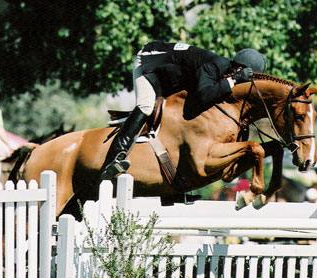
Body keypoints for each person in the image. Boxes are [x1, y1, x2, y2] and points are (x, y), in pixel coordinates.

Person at [101, 41, 266, 179]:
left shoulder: (223, 72)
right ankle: (114, 158)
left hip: (169, 73)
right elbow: (202, 96)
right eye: (243, 77)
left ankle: (173, 182)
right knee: (146, 105)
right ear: (238, 69)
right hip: (148, 63)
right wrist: (235, 80)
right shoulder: (215, 66)